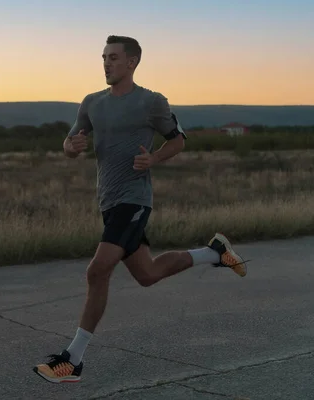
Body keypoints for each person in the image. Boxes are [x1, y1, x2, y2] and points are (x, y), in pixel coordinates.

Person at [32, 35, 248, 384]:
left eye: (113, 57)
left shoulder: (151, 102)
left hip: (135, 199)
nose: (106, 63)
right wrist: (71, 145)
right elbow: (70, 143)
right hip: (109, 199)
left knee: (97, 270)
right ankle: (214, 252)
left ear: (132, 62)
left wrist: (155, 158)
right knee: (146, 274)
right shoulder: (91, 103)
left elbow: (177, 139)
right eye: (103, 57)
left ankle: (72, 360)